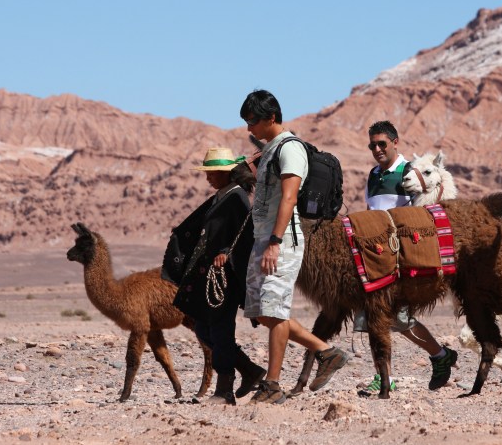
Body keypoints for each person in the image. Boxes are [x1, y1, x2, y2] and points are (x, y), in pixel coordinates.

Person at [240, 89, 349, 404]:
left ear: (271, 118)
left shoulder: (290, 149)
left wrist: (275, 241)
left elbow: (289, 197)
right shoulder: (271, 150)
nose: (250, 129)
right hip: (265, 239)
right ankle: (326, 352)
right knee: (262, 312)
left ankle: (272, 385)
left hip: (281, 241)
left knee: (274, 309)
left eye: (253, 121)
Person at [355, 120, 458, 395]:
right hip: (374, 255)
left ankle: (439, 355)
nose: (376, 149)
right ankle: (385, 375)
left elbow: (420, 212)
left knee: (398, 318)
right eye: (372, 145)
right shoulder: (373, 174)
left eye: (382, 144)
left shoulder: (408, 172)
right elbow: (370, 210)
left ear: (394, 142)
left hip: (398, 255)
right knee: (376, 318)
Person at [172, 147, 264, 405]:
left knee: (221, 330)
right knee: (204, 327)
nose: (208, 177)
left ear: (227, 173)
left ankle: (225, 390)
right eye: (208, 172)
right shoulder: (223, 196)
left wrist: (225, 253)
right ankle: (249, 369)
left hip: (227, 277)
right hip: (212, 275)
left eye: (213, 172)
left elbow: (243, 236)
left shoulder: (236, 199)